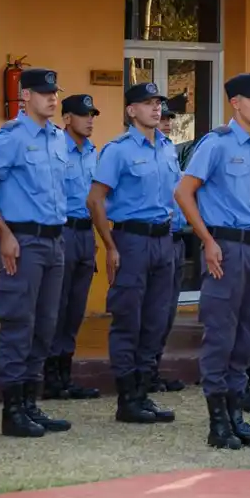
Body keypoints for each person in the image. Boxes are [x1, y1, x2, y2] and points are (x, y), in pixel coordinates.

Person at [178, 72, 250, 449]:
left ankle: (237, 415)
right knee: (221, 335)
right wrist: (206, 240)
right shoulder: (216, 144)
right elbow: (184, 192)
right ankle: (218, 422)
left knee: (247, 336)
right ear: (236, 103)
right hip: (227, 248)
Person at [0, 68, 72, 437]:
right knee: (19, 323)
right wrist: (3, 233)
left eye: (54, 92)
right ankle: (13, 409)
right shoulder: (11, 138)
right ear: (25, 97)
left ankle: (31, 403)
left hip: (55, 240)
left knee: (46, 325)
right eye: (43, 92)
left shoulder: (57, 138)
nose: (52, 98)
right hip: (23, 240)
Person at [88, 82, 179, 425]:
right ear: (131, 111)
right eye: (148, 103)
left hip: (163, 240)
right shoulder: (118, 150)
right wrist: (110, 246)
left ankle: (144, 391)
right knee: (129, 320)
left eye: (158, 103)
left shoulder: (168, 148)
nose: (156, 109)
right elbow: (95, 199)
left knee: (157, 320)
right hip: (131, 241)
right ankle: (128, 399)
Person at [45, 93, 103, 401]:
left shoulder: (92, 151)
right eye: (83, 114)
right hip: (61, 231)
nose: (90, 119)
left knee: (76, 308)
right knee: (57, 305)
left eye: (92, 114)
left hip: (84, 234)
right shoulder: (55, 147)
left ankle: (65, 373)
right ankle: (49, 375)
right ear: (67, 118)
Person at [149, 105, 188, 394]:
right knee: (145, 311)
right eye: (162, 118)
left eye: (168, 118)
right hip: (144, 239)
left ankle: (153, 369)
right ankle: (137, 378)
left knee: (166, 311)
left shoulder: (168, 151)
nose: (165, 123)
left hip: (173, 238)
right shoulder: (121, 150)